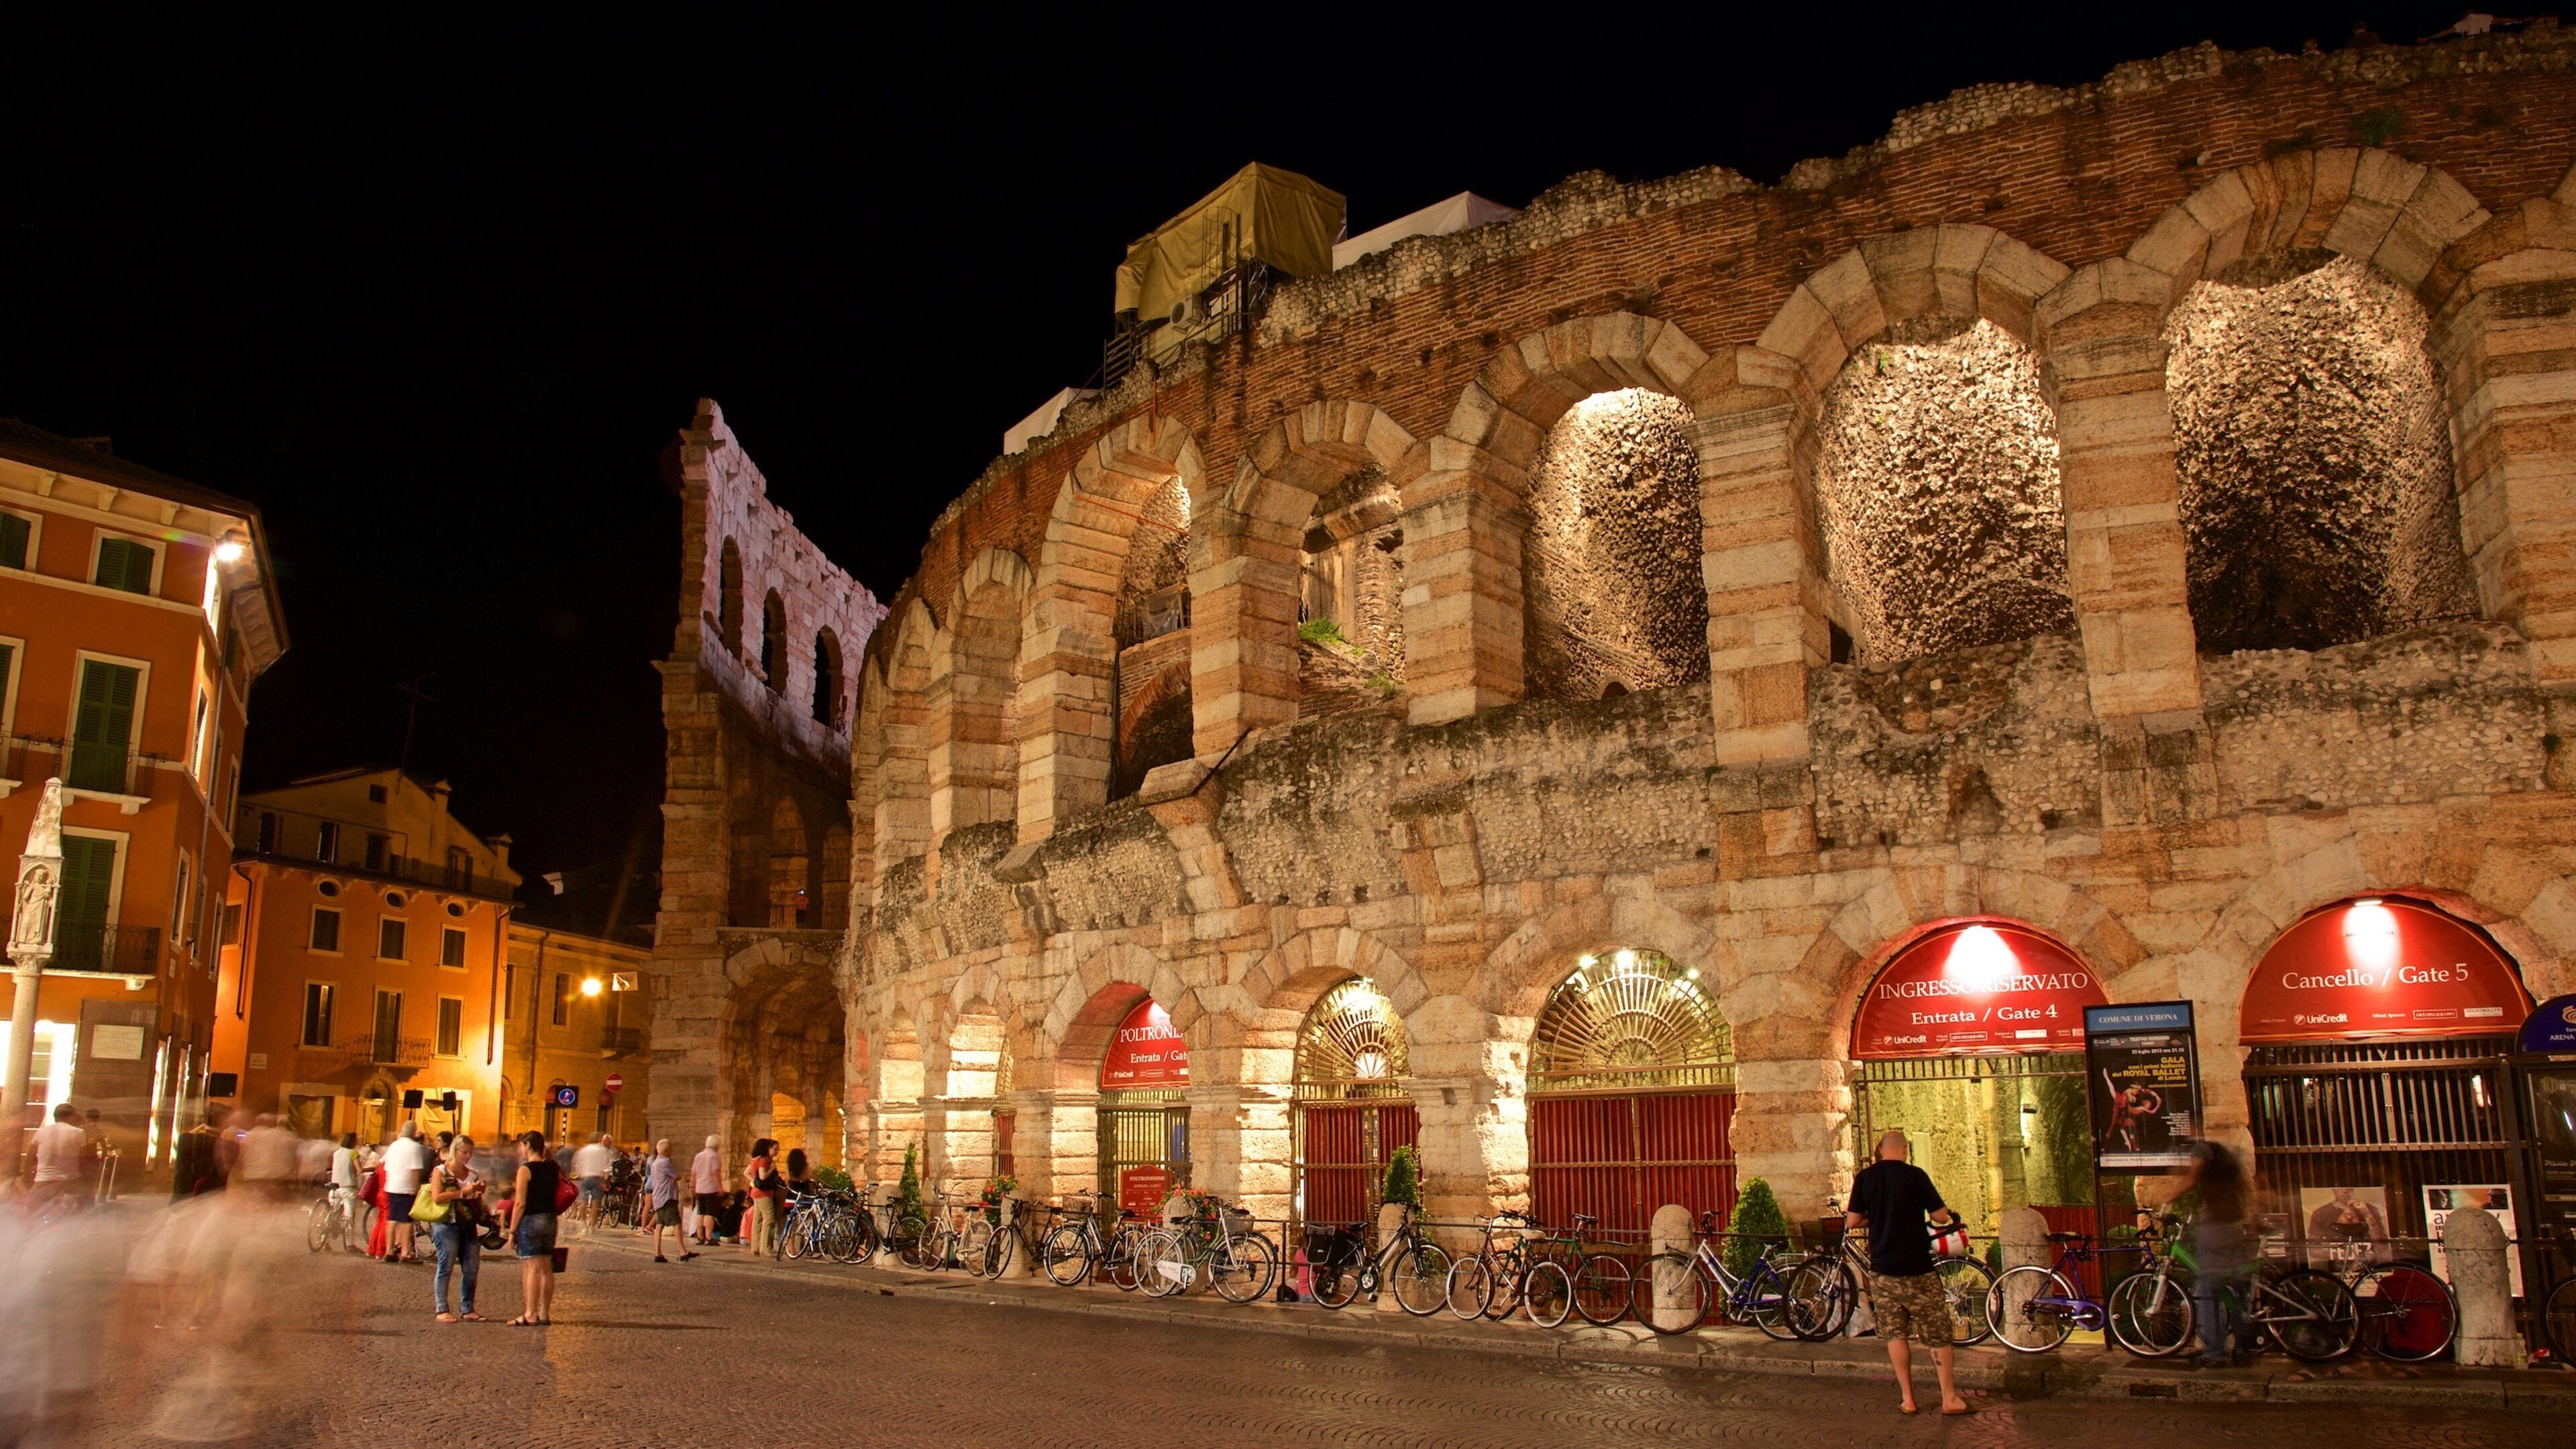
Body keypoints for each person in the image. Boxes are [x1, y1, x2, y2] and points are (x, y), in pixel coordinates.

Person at [1845, 1130, 1971, 1415]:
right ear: (1903, 1149)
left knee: (1896, 1335)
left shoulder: (1865, 1178)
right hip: (1919, 1270)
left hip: (1884, 1272)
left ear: (1880, 1150)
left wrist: (1875, 1217)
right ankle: (1949, 1398)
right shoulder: (1916, 1176)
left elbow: (1853, 1221)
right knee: (1937, 1335)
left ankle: (1908, 1399)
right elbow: (1940, 1216)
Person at [2180, 1140, 2253, 1367]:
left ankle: (2214, 1353)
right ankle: (2243, 1346)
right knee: (2237, 1288)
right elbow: (2247, 1190)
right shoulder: (2229, 1157)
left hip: (2215, 1227)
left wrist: (2167, 1199)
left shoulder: (2202, 1149)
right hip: (2233, 1226)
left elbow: (2191, 1179)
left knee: (2208, 1290)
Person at [426, 1134, 486, 1323]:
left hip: (467, 1223)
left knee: (471, 1267)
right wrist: (462, 1192)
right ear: (455, 1150)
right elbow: (437, 1197)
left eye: (470, 1153)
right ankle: (442, 1308)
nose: (468, 1156)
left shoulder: (472, 1174)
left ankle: (468, 1308)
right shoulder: (441, 1171)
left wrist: (478, 1193)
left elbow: (477, 1201)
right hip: (446, 1224)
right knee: (446, 1265)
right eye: (464, 1152)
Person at [505, 1131, 561, 1326]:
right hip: (550, 1219)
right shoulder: (553, 1168)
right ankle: (544, 1313)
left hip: (531, 1220)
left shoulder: (525, 1170)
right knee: (546, 1268)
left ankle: (530, 1313)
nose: (520, 1149)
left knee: (532, 1268)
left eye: (521, 1145)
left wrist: (512, 1230)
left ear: (528, 1145)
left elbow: (520, 1203)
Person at [380, 1122, 430, 1263]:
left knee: (392, 1219)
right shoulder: (414, 1147)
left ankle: (389, 1251)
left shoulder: (394, 1146)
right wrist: (416, 1189)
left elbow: (386, 1167)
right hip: (406, 1187)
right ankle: (406, 1252)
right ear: (414, 1133)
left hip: (392, 1186)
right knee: (407, 1221)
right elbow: (416, 1170)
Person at [30, 1103, 89, 1206]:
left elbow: (30, 1154)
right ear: (70, 1116)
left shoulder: (41, 1131)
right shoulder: (79, 1132)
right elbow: (82, 1158)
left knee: (31, 1208)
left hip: (43, 1180)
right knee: (82, 1206)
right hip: (70, 1180)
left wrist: (26, 1174)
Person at [646, 1138, 692, 1263]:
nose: (672, 1151)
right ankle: (683, 1251)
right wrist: (674, 1178)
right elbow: (678, 1176)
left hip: (658, 1198)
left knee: (659, 1226)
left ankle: (658, 1253)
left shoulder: (655, 1163)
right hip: (667, 1198)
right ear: (667, 1150)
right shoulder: (665, 1163)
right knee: (676, 1223)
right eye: (671, 1148)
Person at [170, 1104, 230, 1199]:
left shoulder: (185, 1139)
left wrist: (203, 1127)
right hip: (207, 1197)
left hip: (183, 1195)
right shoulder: (224, 1145)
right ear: (223, 1121)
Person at [743, 1138, 783, 1258]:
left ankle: (755, 1247)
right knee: (769, 1218)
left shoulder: (755, 1159)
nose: (777, 1152)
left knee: (758, 1219)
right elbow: (763, 1176)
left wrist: (754, 1183)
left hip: (756, 1193)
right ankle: (765, 1248)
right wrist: (771, 1169)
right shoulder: (764, 1161)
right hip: (764, 1194)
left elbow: (746, 1173)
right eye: (775, 1149)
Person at [572, 1132, 612, 1234]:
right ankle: (592, 1226)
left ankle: (584, 1226)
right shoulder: (603, 1150)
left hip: (585, 1177)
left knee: (583, 1201)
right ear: (599, 1140)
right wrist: (604, 1177)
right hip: (597, 1177)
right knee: (596, 1202)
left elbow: (577, 1165)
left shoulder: (583, 1150)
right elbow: (607, 1165)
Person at [690, 1136, 724, 1246]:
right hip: (710, 1188)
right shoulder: (714, 1156)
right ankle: (709, 1238)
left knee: (700, 1212)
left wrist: (692, 1186)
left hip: (700, 1188)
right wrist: (720, 1188)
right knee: (710, 1214)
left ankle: (700, 1237)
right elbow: (715, 1173)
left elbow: (693, 1173)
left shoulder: (699, 1156)